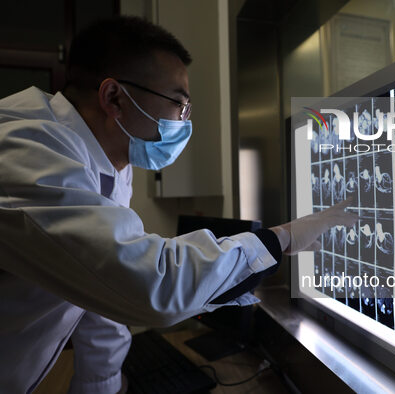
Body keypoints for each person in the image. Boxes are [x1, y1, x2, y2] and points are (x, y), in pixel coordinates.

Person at [0, 16, 356, 394]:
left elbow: (99, 293)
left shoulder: (108, 164)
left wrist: (100, 385)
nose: (183, 122)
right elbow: (147, 283)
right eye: (178, 104)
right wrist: (281, 239)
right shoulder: (27, 148)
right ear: (114, 97)